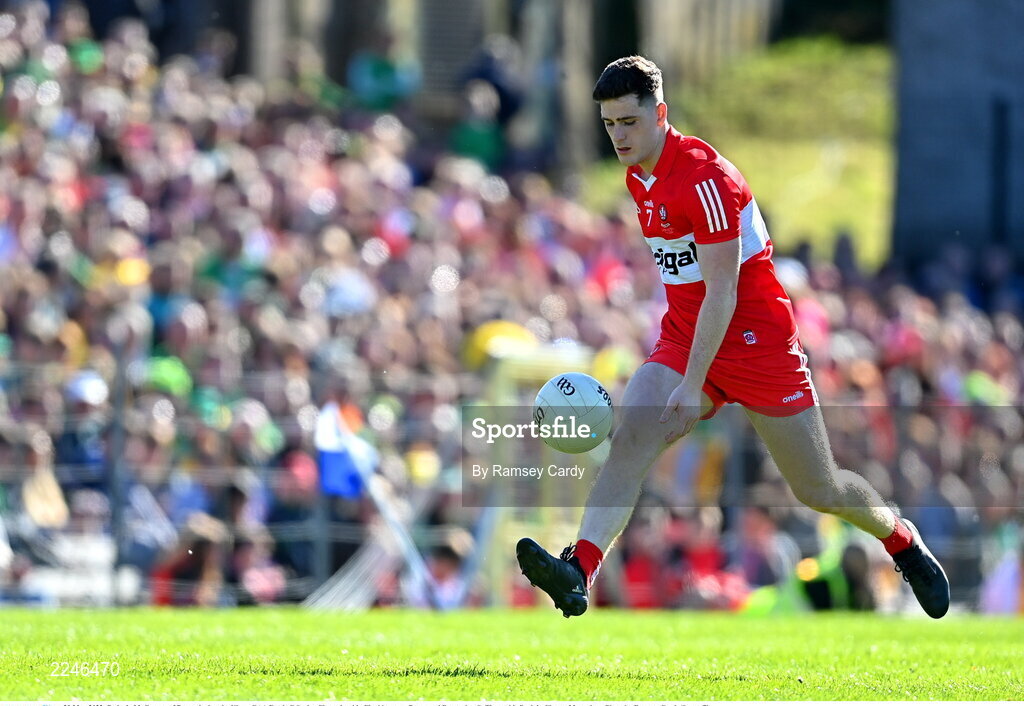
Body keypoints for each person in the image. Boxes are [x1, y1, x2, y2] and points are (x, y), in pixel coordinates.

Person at [516, 56, 949, 619]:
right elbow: (687, 278)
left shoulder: (705, 177)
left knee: (819, 488)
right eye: (610, 125)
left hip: (756, 344)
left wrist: (694, 385)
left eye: (629, 122)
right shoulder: (637, 176)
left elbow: (723, 289)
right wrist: (683, 368)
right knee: (632, 435)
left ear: (661, 115)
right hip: (686, 334)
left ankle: (899, 539)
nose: (619, 136)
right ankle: (580, 570)